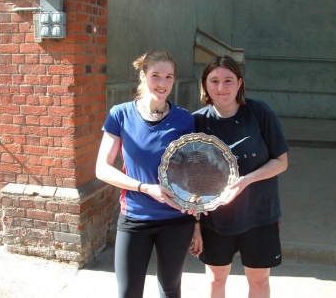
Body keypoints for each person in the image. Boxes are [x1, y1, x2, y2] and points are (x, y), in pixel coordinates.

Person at [95, 49, 202, 298]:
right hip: (135, 218)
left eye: (169, 77)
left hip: (177, 220)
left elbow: (193, 174)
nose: (162, 83)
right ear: (143, 76)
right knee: (128, 292)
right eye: (156, 75)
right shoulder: (120, 115)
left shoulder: (185, 119)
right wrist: (145, 188)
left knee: (170, 289)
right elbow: (101, 168)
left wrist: (197, 225)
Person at [192, 55, 289, 298]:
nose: (221, 87)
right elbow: (188, 179)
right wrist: (194, 225)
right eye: (214, 81)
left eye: (228, 80)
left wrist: (246, 180)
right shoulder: (197, 121)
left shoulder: (259, 112)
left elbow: (281, 162)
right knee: (216, 278)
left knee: (258, 281)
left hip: (259, 215)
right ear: (205, 85)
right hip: (214, 219)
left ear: (240, 83)